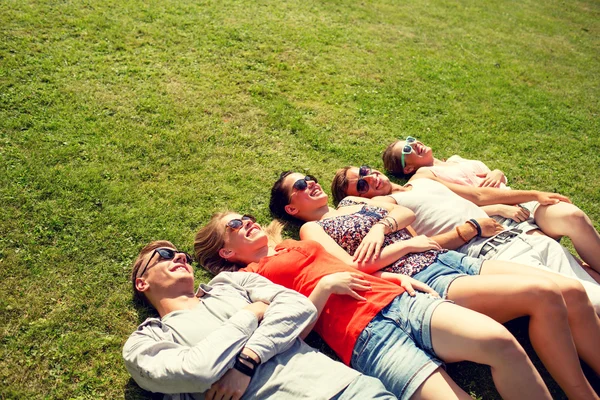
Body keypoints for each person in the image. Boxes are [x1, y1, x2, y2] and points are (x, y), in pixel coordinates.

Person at [269, 171, 600, 399]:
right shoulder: (311, 232)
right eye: (300, 184)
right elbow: (353, 268)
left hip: (451, 259)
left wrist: (380, 229)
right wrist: (404, 246)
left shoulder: (351, 203)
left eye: (310, 178)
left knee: (570, 291)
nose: (310, 182)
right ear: (292, 208)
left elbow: (403, 214)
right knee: (542, 295)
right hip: (426, 276)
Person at [194, 212, 556, 400]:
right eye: (237, 225)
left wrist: (392, 278)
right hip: (364, 338)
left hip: (399, 299)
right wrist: (322, 289)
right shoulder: (251, 280)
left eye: (247, 218)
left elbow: (347, 267)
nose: (249, 222)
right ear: (227, 252)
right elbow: (291, 332)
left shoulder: (290, 243)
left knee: (502, 344)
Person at [123, 240, 397, 400]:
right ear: (142, 282)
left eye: (183, 255)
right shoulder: (145, 343)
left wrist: (247, 361)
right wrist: (251, 313)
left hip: (347, 389)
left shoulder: (230, 282)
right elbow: (197, 371)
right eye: (166, 255)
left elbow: (298, 306)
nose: (180, 257)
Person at [331, 165, 600, 313]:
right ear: (360, 198)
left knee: (593, 293)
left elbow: (479, 196)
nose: (371, 179)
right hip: (494, 255)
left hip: (522, 235)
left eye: (366, 171)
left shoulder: (423, 177)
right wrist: (469, 229)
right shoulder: (384, 205)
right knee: (591, 302)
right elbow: (423, 250)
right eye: (362, 185)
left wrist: (534, 194)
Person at [382, 136, 600, 275]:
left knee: (574, 217)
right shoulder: (425, 175)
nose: (413, 145)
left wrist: (498, 172)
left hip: (522, 202)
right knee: (564, 261)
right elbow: (474, 197)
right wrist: (504, 206)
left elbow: (492, 178)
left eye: (410, 140)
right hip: (504, 217)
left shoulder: (457, 160)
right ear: (408, 169)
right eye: (406, 151)